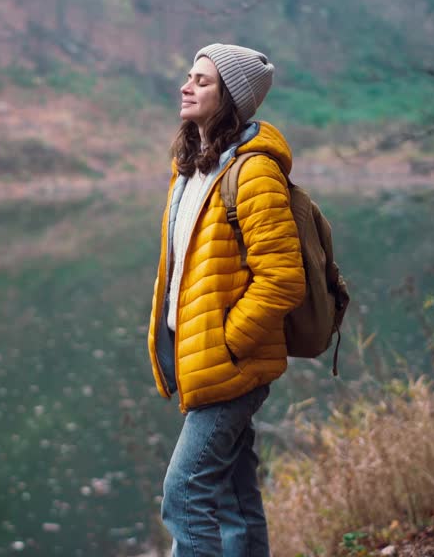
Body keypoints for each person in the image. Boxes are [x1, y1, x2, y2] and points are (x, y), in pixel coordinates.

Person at [148, 43, 307, 556]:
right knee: (236, 501)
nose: (186, 85)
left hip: (230, 365)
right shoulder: (189, 167)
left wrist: (228, 341)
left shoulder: (254, 172)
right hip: (203, 359)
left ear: (230, 98)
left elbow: (283, 278)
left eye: (202, 80)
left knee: (184, 493)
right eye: (188, 75)